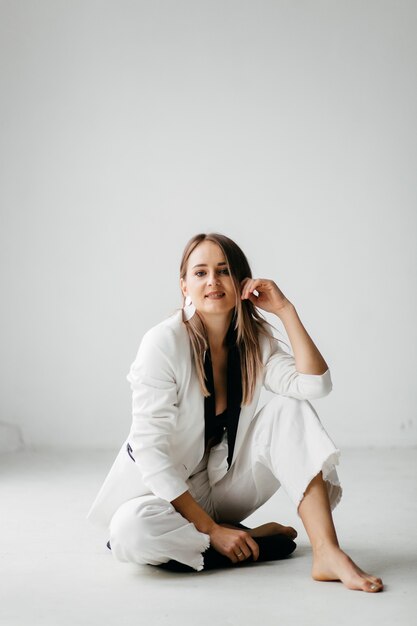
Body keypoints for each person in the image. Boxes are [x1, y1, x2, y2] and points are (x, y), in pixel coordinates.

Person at [86, 232, 383, 592]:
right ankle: (246, 542)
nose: (212, 281)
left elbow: (315, 385)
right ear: (184, 285)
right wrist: (211, 529)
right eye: (200, 273)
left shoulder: (254, 342)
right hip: (160, 497)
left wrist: (285, 310)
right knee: (130, 532)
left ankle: (327, 551)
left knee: (290, 409)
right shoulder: (163, 343)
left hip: (220, 491)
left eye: (224, 270)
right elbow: (150, 451)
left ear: (242, 283)